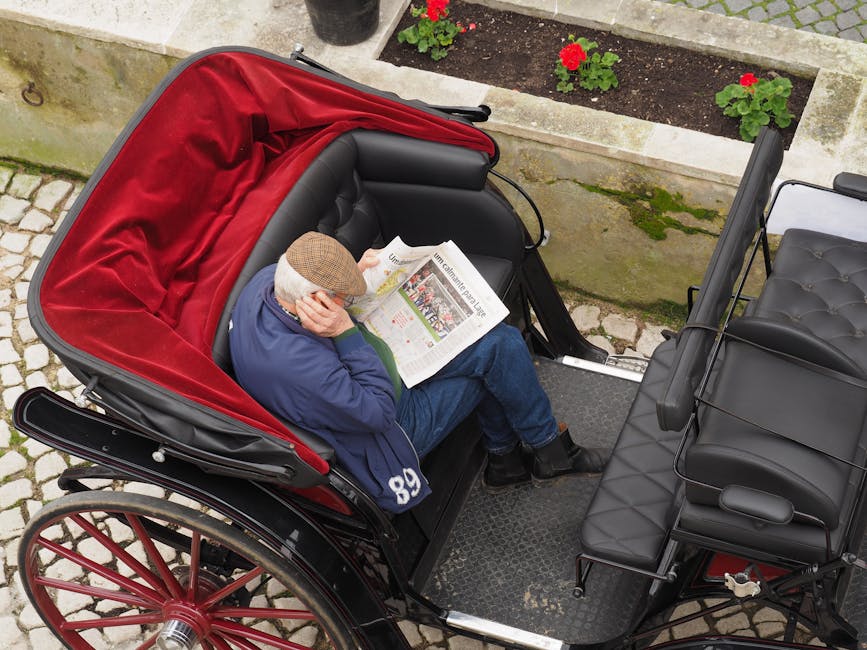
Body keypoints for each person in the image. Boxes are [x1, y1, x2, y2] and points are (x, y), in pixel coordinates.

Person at [229, 232, 606, 513]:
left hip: (379, 365)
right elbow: (378, 414)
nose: (345, 302)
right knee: (498, 354)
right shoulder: (299, 369)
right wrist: (345, 333)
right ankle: (549, 454)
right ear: (317, 303)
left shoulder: (270, 282)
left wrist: (355, 275)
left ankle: (507, 462)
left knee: (496, 344)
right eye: (340, 297)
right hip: (396, 422)